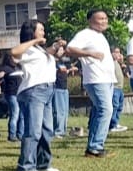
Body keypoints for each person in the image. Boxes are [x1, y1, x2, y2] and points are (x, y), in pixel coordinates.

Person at [10, 20, 62, 171]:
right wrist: (35, 41)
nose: (43, 32)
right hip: (33, 91)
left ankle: (43, 163)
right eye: (40, 29)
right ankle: (25, 167)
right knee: (33, 130)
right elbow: (14, 52)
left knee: (47, 130)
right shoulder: (27, 48)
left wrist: (56, 47)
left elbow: (49, 56)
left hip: (48, 89)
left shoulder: (39, 50)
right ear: (32, 32)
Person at [65, 10, 116, 157]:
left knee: (99, 111)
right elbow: (70, 48)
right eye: (100, 18)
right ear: (90, 20)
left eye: (106, 18)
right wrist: (90, 54)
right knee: (106, 110)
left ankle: (93, 147)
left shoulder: (100, 36)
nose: (104, 21)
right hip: (96, 79)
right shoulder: (85, 34)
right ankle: (95, 146)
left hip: (106, 79)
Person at [0, 53, 25, 141]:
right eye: (14, 57)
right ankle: (12, 135)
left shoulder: (19, 67)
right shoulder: (5, 68)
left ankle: (20, 134)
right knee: (15, 113)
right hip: (11, 94)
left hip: (20, 93)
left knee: (21, 115)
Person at [53, 53, 74, 137]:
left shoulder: (64, 62)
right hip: (57, 88)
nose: (62, 51)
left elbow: (72, 67)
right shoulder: (54, 62)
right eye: (60, 49)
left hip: (65, 89)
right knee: (59, 111)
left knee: (65, 111)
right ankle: (58, 131)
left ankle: (63, 130)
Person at [108, 46, 128, 132]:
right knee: (114, 106)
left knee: (119, 106)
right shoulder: (109, 61)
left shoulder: (117, 62)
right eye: (116, 52)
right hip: (114, 88)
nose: (118, 54)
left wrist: (121, 62)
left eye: (119, 52)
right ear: (111, 53)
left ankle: (116, 122)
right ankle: (112, 125)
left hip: (120, 88)